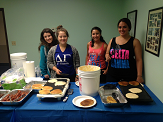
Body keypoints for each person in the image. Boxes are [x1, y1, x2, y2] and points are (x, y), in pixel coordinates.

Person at [105, 18, 144, 83]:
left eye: (124, 27)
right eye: (120, 27)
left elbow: (139, 60)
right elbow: (107, 53)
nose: (122, 29)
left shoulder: (135, 41)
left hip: (129, 76)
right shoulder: (112, 40)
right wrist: (107, 56)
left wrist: (139, 76)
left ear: (129, 28)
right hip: (112, 75)